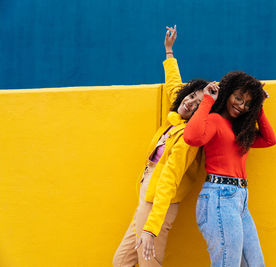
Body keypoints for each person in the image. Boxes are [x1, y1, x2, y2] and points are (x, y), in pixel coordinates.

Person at [113, 25, 207, 267]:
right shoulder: (175, 117)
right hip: (146, 197)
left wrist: (152, 229)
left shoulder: (188, 137)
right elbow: (175, 87)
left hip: (158, 205)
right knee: (121, 261)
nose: (190, 103)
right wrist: (169, 51)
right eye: (190, 97)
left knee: (149, 263)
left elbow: (169, 180)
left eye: (198, 104)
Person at [183, 71, 276, 266]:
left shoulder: (240, 131)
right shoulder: (215, 120)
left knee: (255, 263)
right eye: (238, 98)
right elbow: (191, 137)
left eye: (247, 103)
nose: (241, 106)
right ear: (228, 93)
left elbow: (269, 140)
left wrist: (257, 108)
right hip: (219, 198)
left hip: (240, 201)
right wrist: (208, 100)